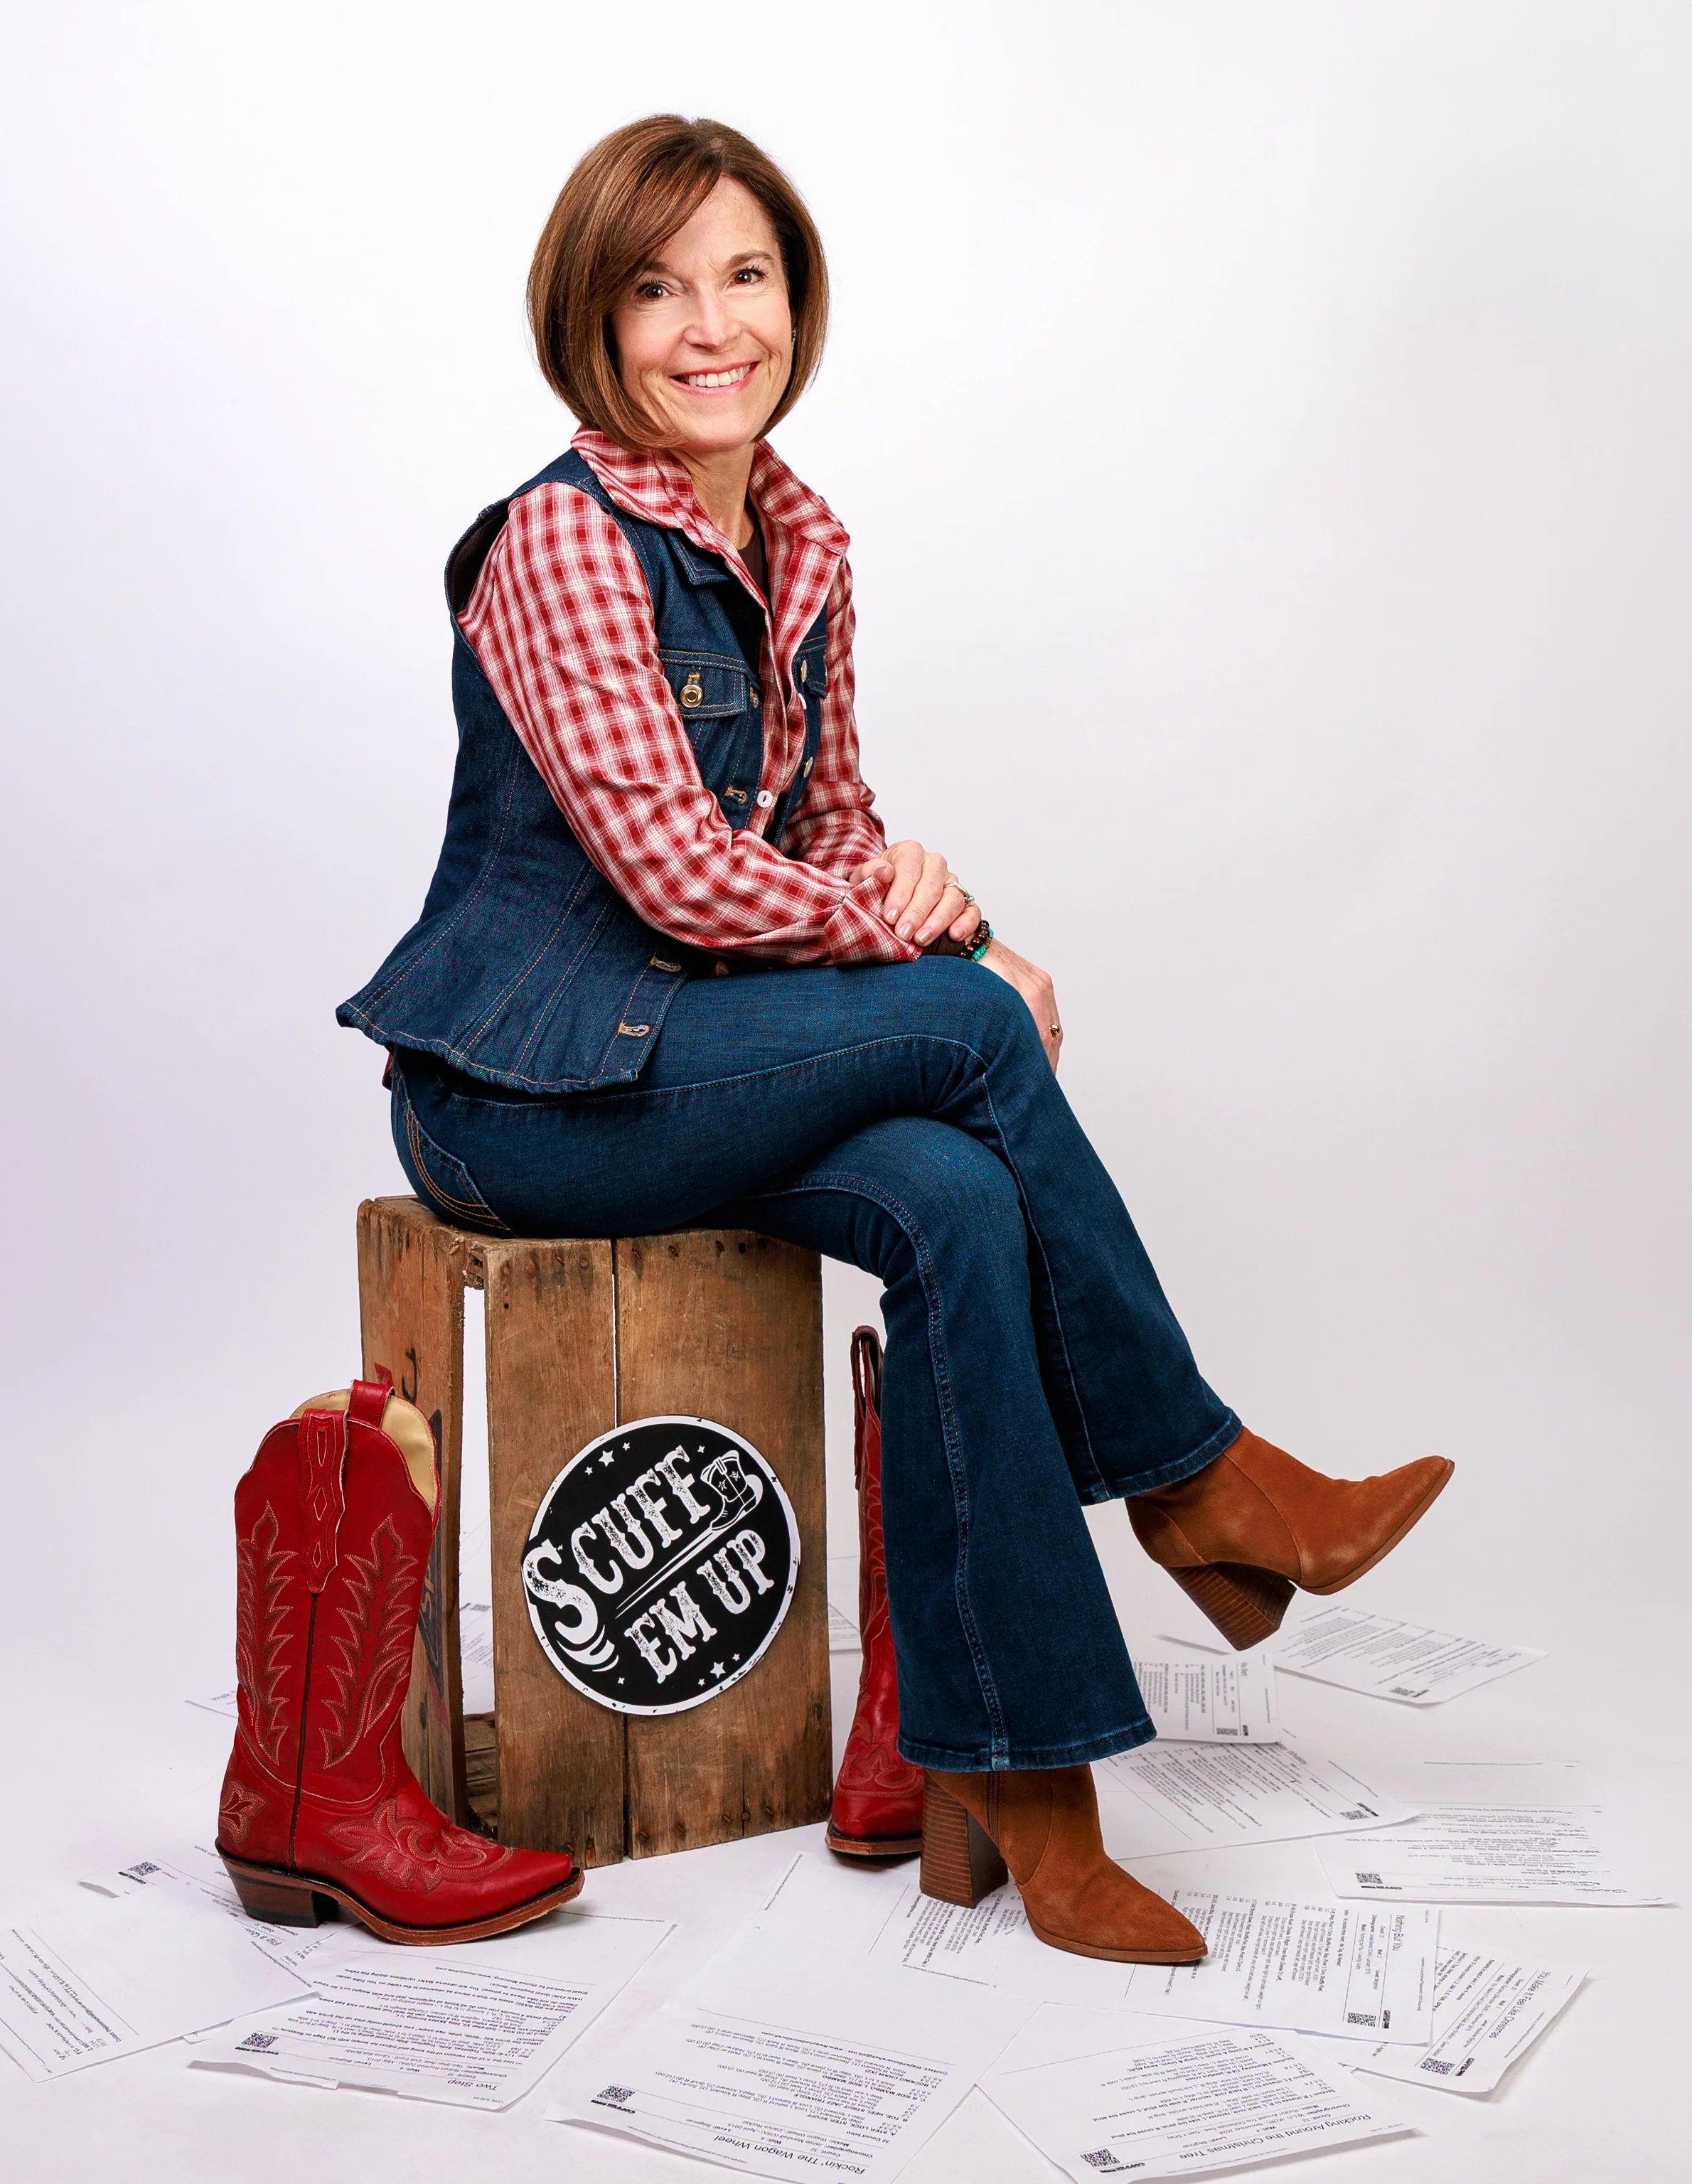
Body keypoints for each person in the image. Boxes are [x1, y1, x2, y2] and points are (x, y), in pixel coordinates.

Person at [338, 116, 1452, 1964]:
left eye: (748, 276)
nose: (713, 326)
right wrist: (955, 975)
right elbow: (689, 881)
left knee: (954, 1195)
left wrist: (966, 926)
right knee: (960, 1027)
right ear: (587, 324)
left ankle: (1028, 1794)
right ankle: (1200, 1486)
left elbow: (825, 837)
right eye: (656, 287)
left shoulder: (805, 535)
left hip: (701, 1067)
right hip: (520, 1101)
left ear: (800, 295)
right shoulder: (555, 546)